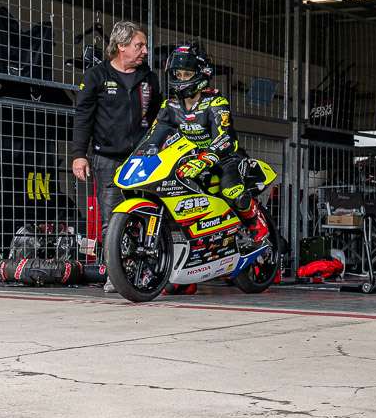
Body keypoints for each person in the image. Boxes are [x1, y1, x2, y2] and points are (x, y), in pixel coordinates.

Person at [135, 44, 269, 247]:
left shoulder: (216, 102)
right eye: (178, 74)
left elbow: (226, 138)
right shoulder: (169, 105)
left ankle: (256, 224)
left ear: (201, 74)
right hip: (188, 160)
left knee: (231, 191)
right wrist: (140, 156)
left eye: (187, 74)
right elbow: (153, 136)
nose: (181, 79)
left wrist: (205, 158)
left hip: (224, 159)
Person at [71, 20, 161, 291]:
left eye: (144, 46)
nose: (145, 51)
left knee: (147, 215)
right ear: (121, 46)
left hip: (143, 160)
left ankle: (146, 271)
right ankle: (117, 275)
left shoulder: (149, 78)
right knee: (112, 220)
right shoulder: (96, 76)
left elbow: (157, 117)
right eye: (139, 45)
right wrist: (79, 154)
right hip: (108, 159)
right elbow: (83, 117)